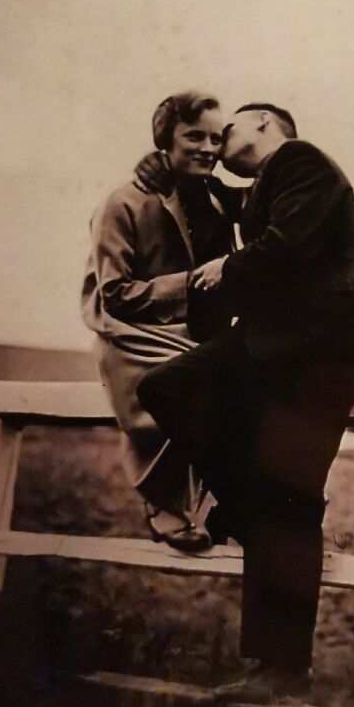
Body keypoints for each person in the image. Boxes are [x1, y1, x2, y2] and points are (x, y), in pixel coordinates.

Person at [136, 102, 354, 699]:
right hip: (271, 346)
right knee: (165, 386)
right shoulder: (266, 184)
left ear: (267, 126)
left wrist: (229, 266)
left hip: (322, 353)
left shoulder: (301, 161)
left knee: (290, 501)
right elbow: (215, 201)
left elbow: (288, 243)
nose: (219, 140)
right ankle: (244, 511)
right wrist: (167, 169)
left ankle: (279, 669)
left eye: (230, 128)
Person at [81, 92, 240, 552]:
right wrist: (191, 284)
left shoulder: (211, 200)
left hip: (188, 329)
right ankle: (162, 503)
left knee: (236, 375)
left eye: (215, 138)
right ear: (164, 139)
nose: (207, 148)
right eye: (194, 136)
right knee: (186, 384)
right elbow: (113, 294)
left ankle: (225, 505)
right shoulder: (122, 202)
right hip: (128, 329)